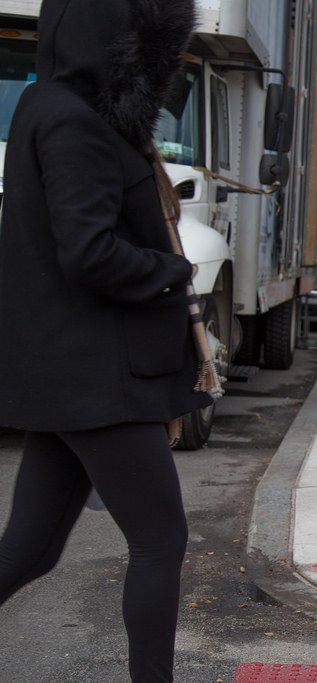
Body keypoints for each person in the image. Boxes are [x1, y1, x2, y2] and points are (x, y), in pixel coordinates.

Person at [0, 1, 210, 681]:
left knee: (31, 548)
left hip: (69, 373)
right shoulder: (75, 122)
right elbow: (88, 251)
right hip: (100, 378)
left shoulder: (44, 106)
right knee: (159, 539)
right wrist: (172, 271)